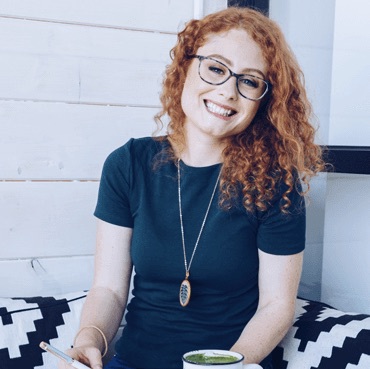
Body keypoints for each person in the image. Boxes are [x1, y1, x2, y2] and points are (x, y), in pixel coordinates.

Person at [59, 6, 324, 369]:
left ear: (265, 101)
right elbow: (109, 288)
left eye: (249, 81)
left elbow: (276, 306)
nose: (228, 91)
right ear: (185, 67)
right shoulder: (128, 164)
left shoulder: (277, 182)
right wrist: (88, 340)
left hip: (230, 363)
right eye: (215, 68)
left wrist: (228, 364)